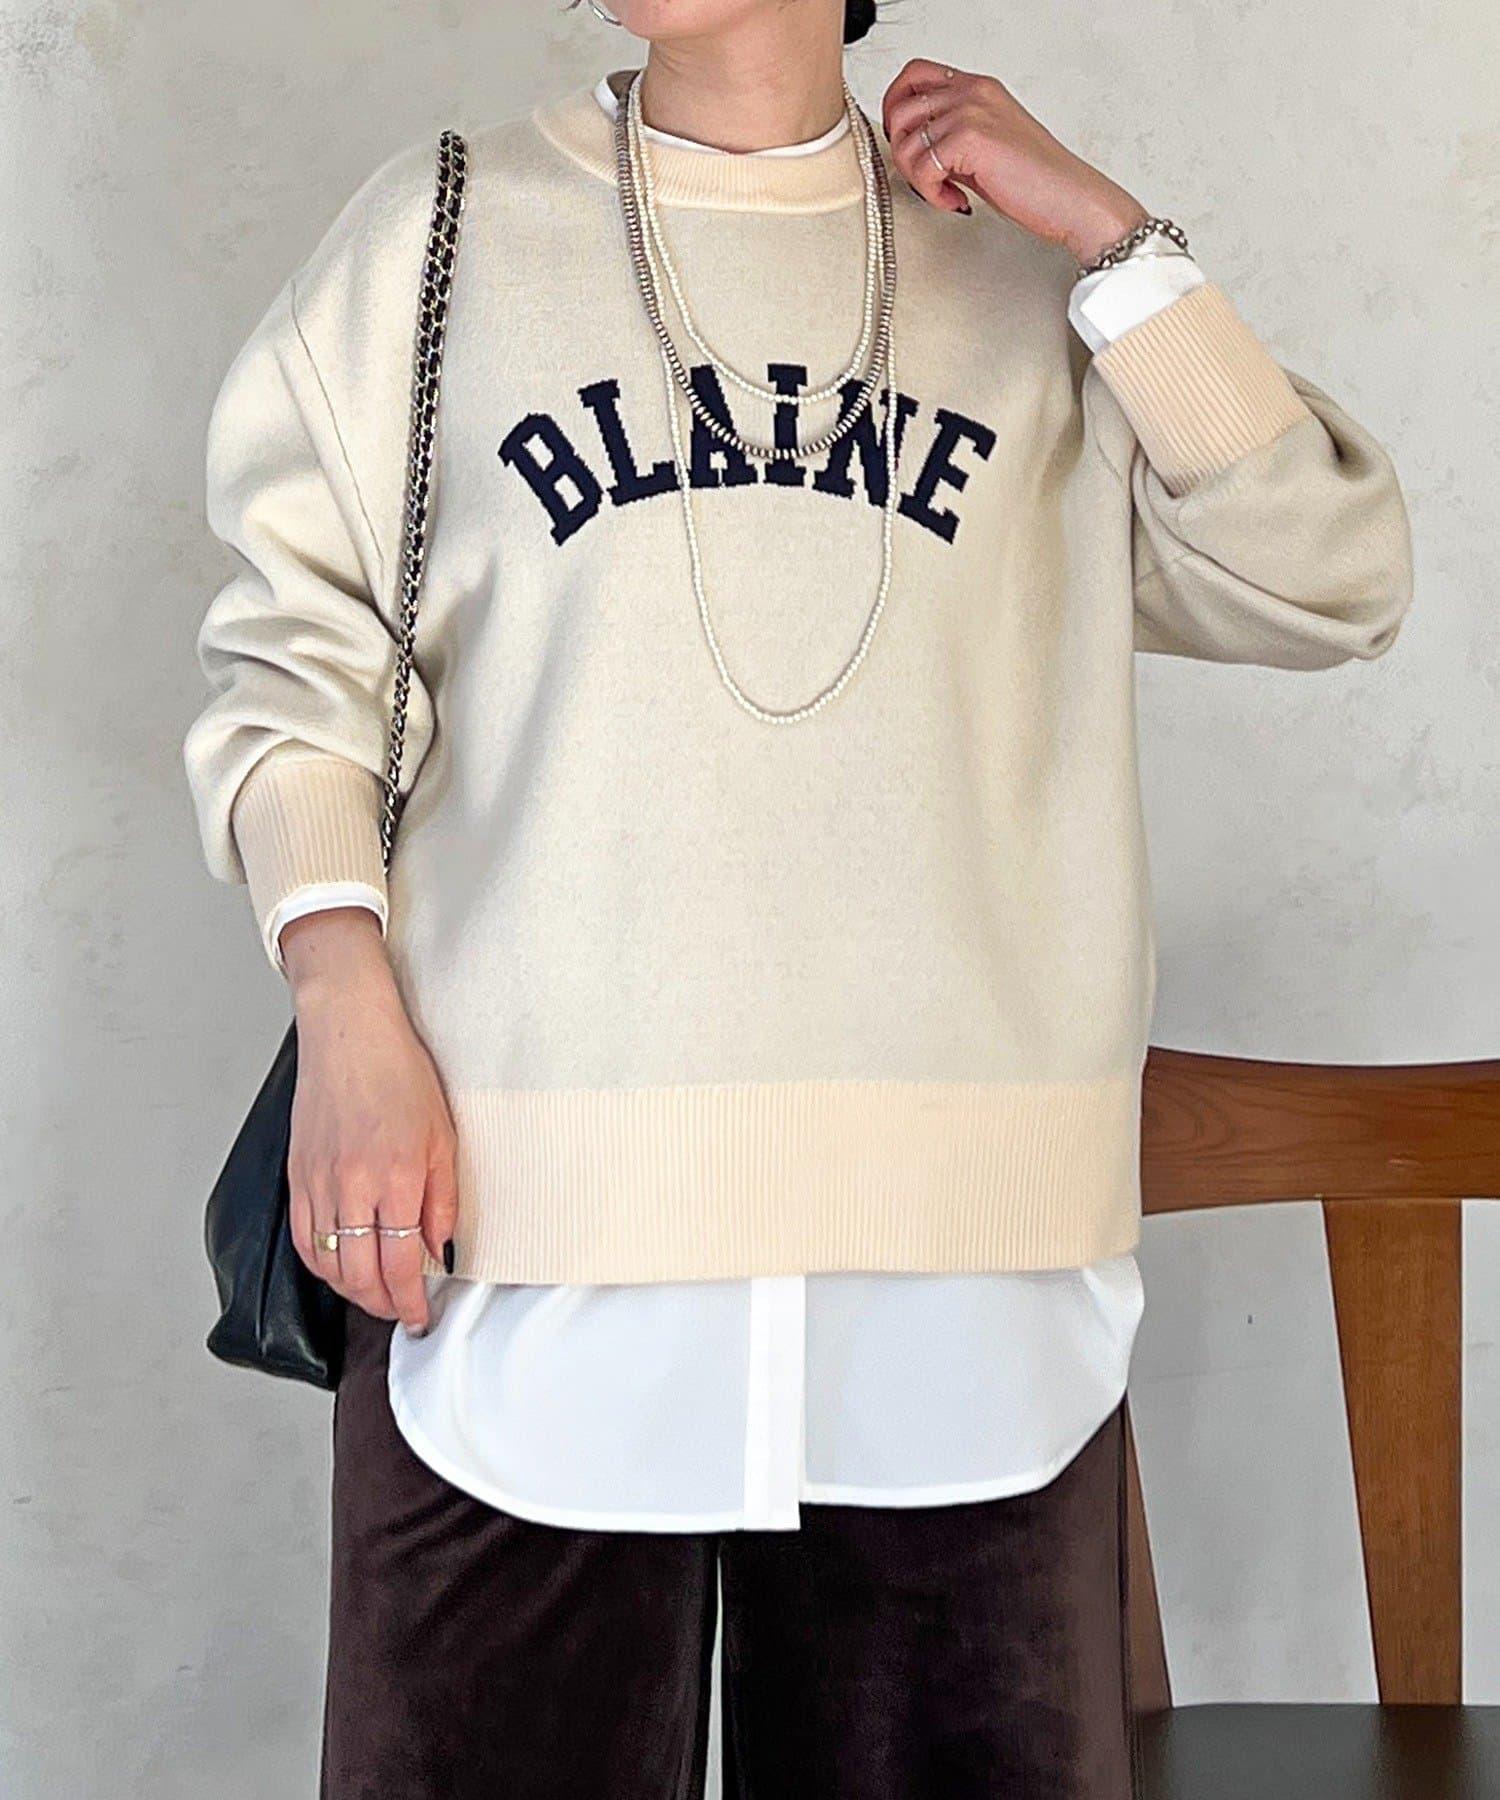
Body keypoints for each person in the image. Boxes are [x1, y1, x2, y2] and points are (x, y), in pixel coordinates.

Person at [182, 1, 1414, 1793]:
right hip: (523, 1254)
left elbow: (1335, 577)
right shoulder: (441, 232)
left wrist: (1115, 243)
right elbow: (296, 668)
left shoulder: (1028, 271)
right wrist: (341, 1007)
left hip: (964, 1291)